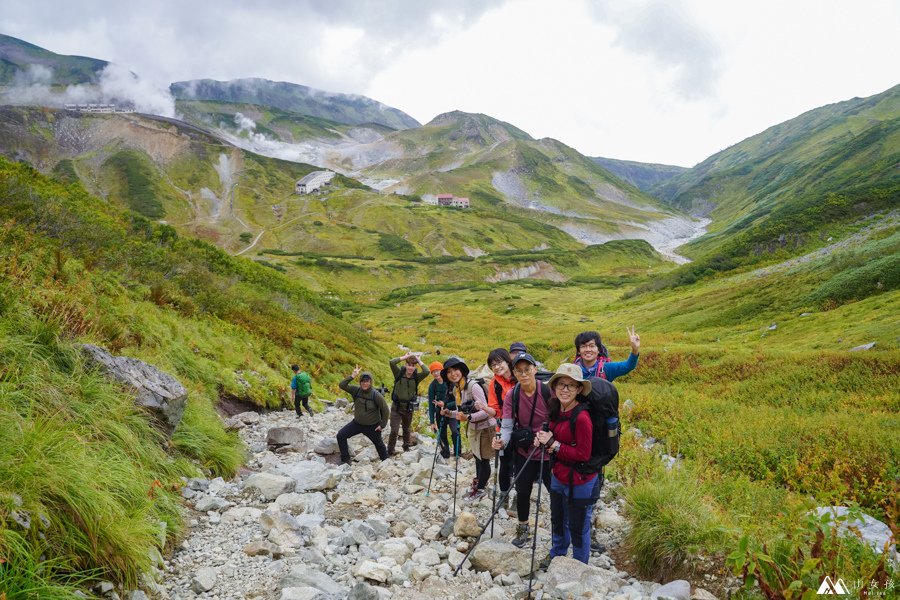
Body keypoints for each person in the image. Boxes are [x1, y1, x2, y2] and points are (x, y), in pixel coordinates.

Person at [534, 363, 601, 567]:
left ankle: (579, 566)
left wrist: (553, 444)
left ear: (579, 389)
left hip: (581, 481)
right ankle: (558, 554)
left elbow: (583, 454)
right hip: (559, 476)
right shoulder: (556, 409)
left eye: (571, 386)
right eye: (561, 384)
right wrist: (543, 439)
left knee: (578, 525)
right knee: (558, 518)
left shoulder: (582, 418)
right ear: (554, 387)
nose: (565, 389)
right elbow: (554, 434)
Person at [492, 352, 552, 547]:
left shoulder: (547, 391)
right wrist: (502, 441)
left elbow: (558, 420)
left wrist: (550, 438)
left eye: (527, 369)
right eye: (519, 371)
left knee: (556, 492)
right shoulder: (513, 394)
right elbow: (507, 425)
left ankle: (561, 531)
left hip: (548, 452)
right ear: (514, 373)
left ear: (535, 369)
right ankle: (523, 527)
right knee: (523, 491)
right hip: (524, 451)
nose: (524, 374)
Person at [440, 356, 496, 501]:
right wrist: (450, 413)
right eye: (449, 372)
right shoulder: (457, 390)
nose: (453, 374)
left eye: (456, 370)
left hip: (486, 428)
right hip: (475, 428)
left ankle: (481, 489)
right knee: (478, 458)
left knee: (484, 460)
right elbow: (462, 413)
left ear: (462, 370)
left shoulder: (473, 387)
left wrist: (469, 418)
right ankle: (479, 484)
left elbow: (486, 411)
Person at [336, 366, 390, 464]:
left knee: (379, 444)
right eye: (363, 381)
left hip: (372, 426)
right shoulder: (356, 390)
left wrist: (382, 425)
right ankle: (345, 460)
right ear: (360, 382)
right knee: (341, 435)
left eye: (367, 381)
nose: (365, 383)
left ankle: (386, 462)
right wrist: (352, 376)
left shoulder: (376, 395)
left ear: (370, 382)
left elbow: (385, 410)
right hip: (357, 424)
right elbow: (342, 385)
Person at [485, 348, 517, 508]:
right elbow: (495, 410)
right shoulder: (494, 384)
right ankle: (504, 497)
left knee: (520, 462)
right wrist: (484, 408)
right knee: (504, 462)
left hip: (523, 426)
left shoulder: (520, 376)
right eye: (493, 365)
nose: (497, 367)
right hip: (503, 426)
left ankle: (519, 497)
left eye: (499, 363)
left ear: (507, 360)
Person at [388, 352, 429, 455]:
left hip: (408, 407)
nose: (410, 368)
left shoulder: (416, 377)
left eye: (413, 366)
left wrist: (419, 360)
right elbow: (392, 362)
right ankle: (390, 450)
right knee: (394, 430)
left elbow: (427, 371)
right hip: (396, 407)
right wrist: (405, 357)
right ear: (406, 365)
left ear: (415, 367)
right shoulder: (399, 373)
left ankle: (406, 447)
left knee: (406, 429)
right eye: (409, 365)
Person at [573, 326, 641, 382]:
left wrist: (635, 349)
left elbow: (628, 366)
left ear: (599, 349)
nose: (588, 350)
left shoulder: (607, 368)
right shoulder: (572, 370)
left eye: (592, 346)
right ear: (578, 351)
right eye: (583, 346)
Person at [427, 360, 459, 459]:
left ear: (442, 371)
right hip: (439, 412)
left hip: (453, 411)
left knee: (455, 431)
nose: (436, 373)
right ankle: (446, 451)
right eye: (433, 371)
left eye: (438, 370)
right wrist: (432, 422)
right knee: (442, 433)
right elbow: (431, 404)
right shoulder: (432, 385)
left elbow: (457, 401)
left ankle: (458, 452)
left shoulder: (450, 382)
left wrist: (445, 404)